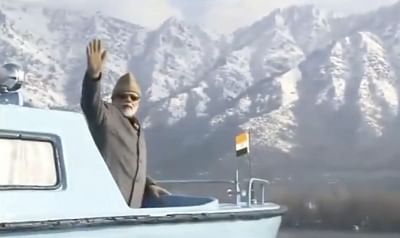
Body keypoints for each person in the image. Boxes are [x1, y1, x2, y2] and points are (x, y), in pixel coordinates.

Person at [80, 39, 169, 208]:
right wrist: (93, 77)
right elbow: (89, 103)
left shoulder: (137, 129)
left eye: (133, 97)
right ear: (113, 99)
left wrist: (149, 185)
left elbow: (131, 165)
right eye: (122, 96)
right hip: (104, 208)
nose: (128, 100)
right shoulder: (105, 116)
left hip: (130, 212)